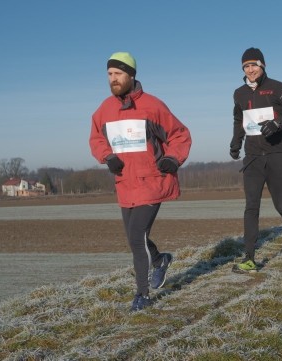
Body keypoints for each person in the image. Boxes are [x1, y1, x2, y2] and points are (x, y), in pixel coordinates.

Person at [89, 52, 192, 311]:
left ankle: (143, 295)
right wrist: (107, 156)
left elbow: (180, 134)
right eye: (109, 75)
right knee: (136, 239)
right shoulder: (104, 109)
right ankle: (160, 261)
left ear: (131, 75)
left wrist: (172, 159)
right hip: (125, 183)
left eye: (118, 74)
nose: (112, 79)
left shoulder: (152, 106)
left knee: (136, 238)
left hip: (152, 181)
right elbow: (96, 139)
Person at [229, 47, 282, 273]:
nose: (250, 70)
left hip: (277, 154)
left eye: (254, 65)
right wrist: (235, 142)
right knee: (251, 207)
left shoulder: (279, 88)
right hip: (252, 157)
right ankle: (249, 258)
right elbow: (238, 119)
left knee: (281, 203)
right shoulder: (239, 93)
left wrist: (278, 123)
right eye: (246, 66)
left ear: (262, 66)